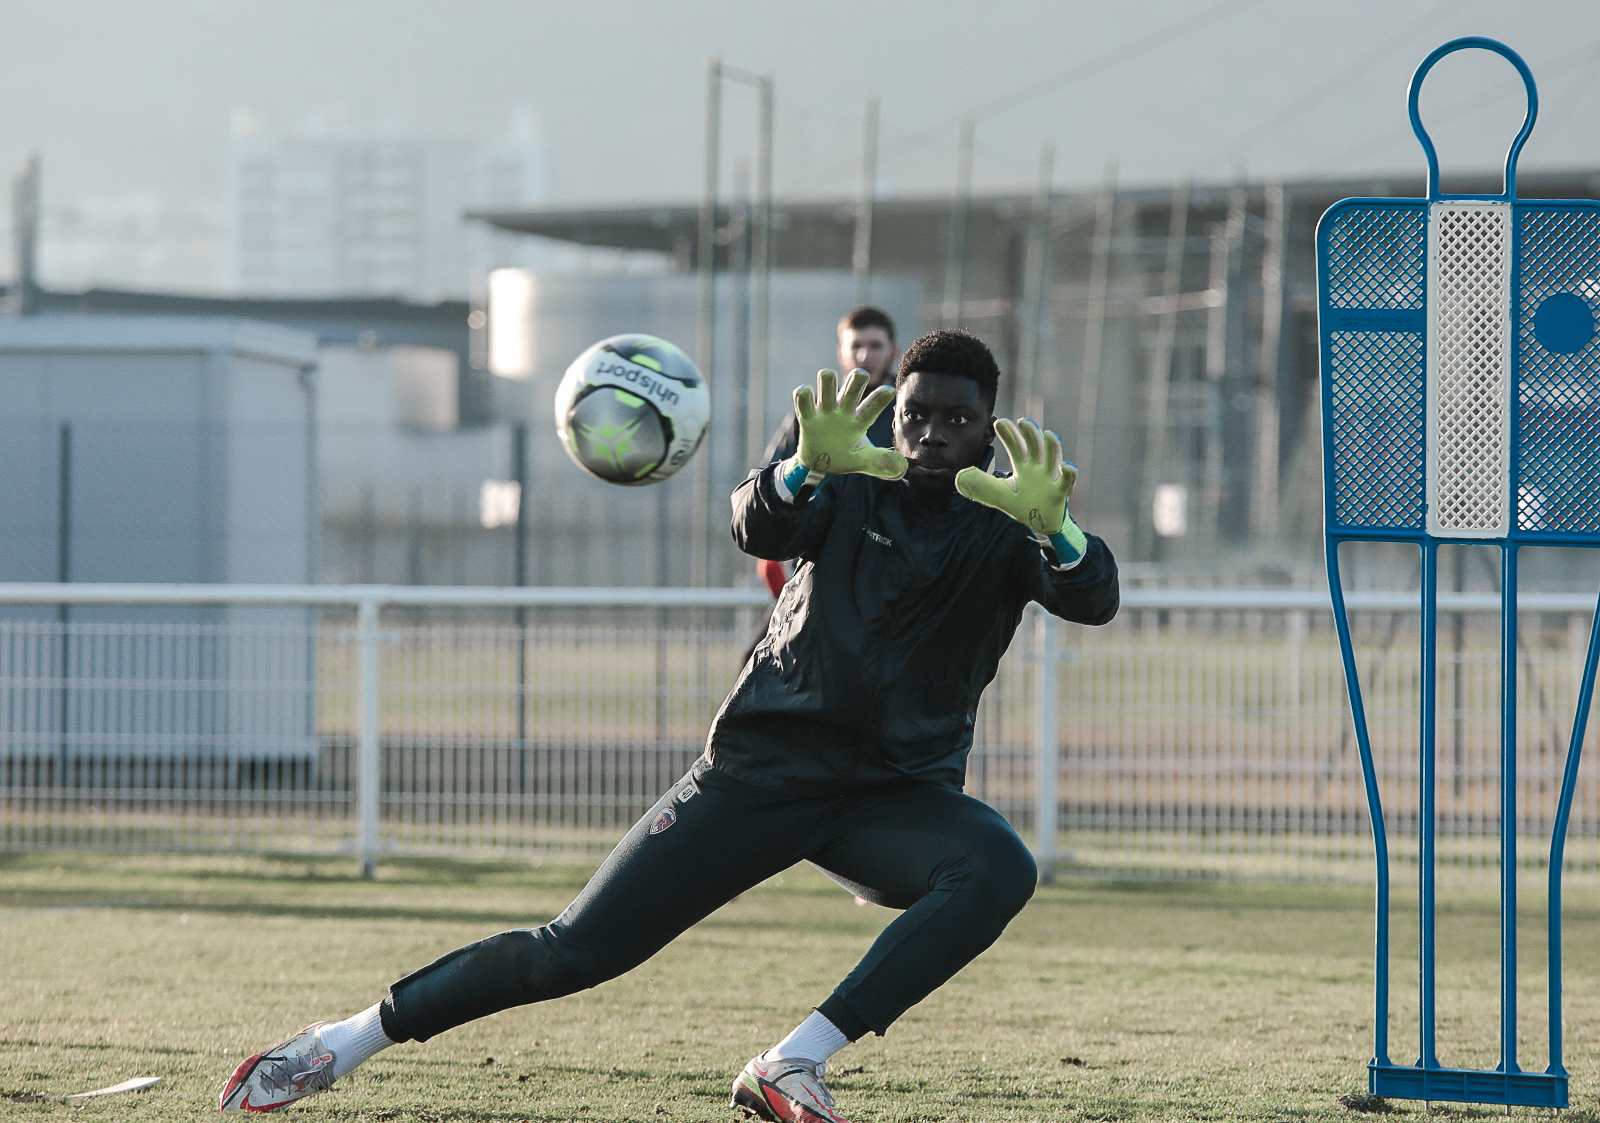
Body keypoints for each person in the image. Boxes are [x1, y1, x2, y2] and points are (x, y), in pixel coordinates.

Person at [219, 329, 1119, 1121]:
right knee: (569, 954)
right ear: (894, 417)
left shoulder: (1010, 524)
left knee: (998, 865)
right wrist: (804, 465)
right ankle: (339, 1043)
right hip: (761, 773)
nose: (929, 433)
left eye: (955, 420)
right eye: (915, 414)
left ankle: (790, 1064)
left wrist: (1063, 534)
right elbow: (756, 523)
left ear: (989, 430)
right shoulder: (848, 482)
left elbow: (1096, 599)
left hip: (892, 799)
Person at [757, 306, 900, 596]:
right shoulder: (814, 415)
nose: (864, 356)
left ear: (893, 352)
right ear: (840, 352)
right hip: (818, 566)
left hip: (892, 567)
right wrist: (769, 553)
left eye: (875, 346)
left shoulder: (914, 415)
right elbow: (771, 481)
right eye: (856, 346)